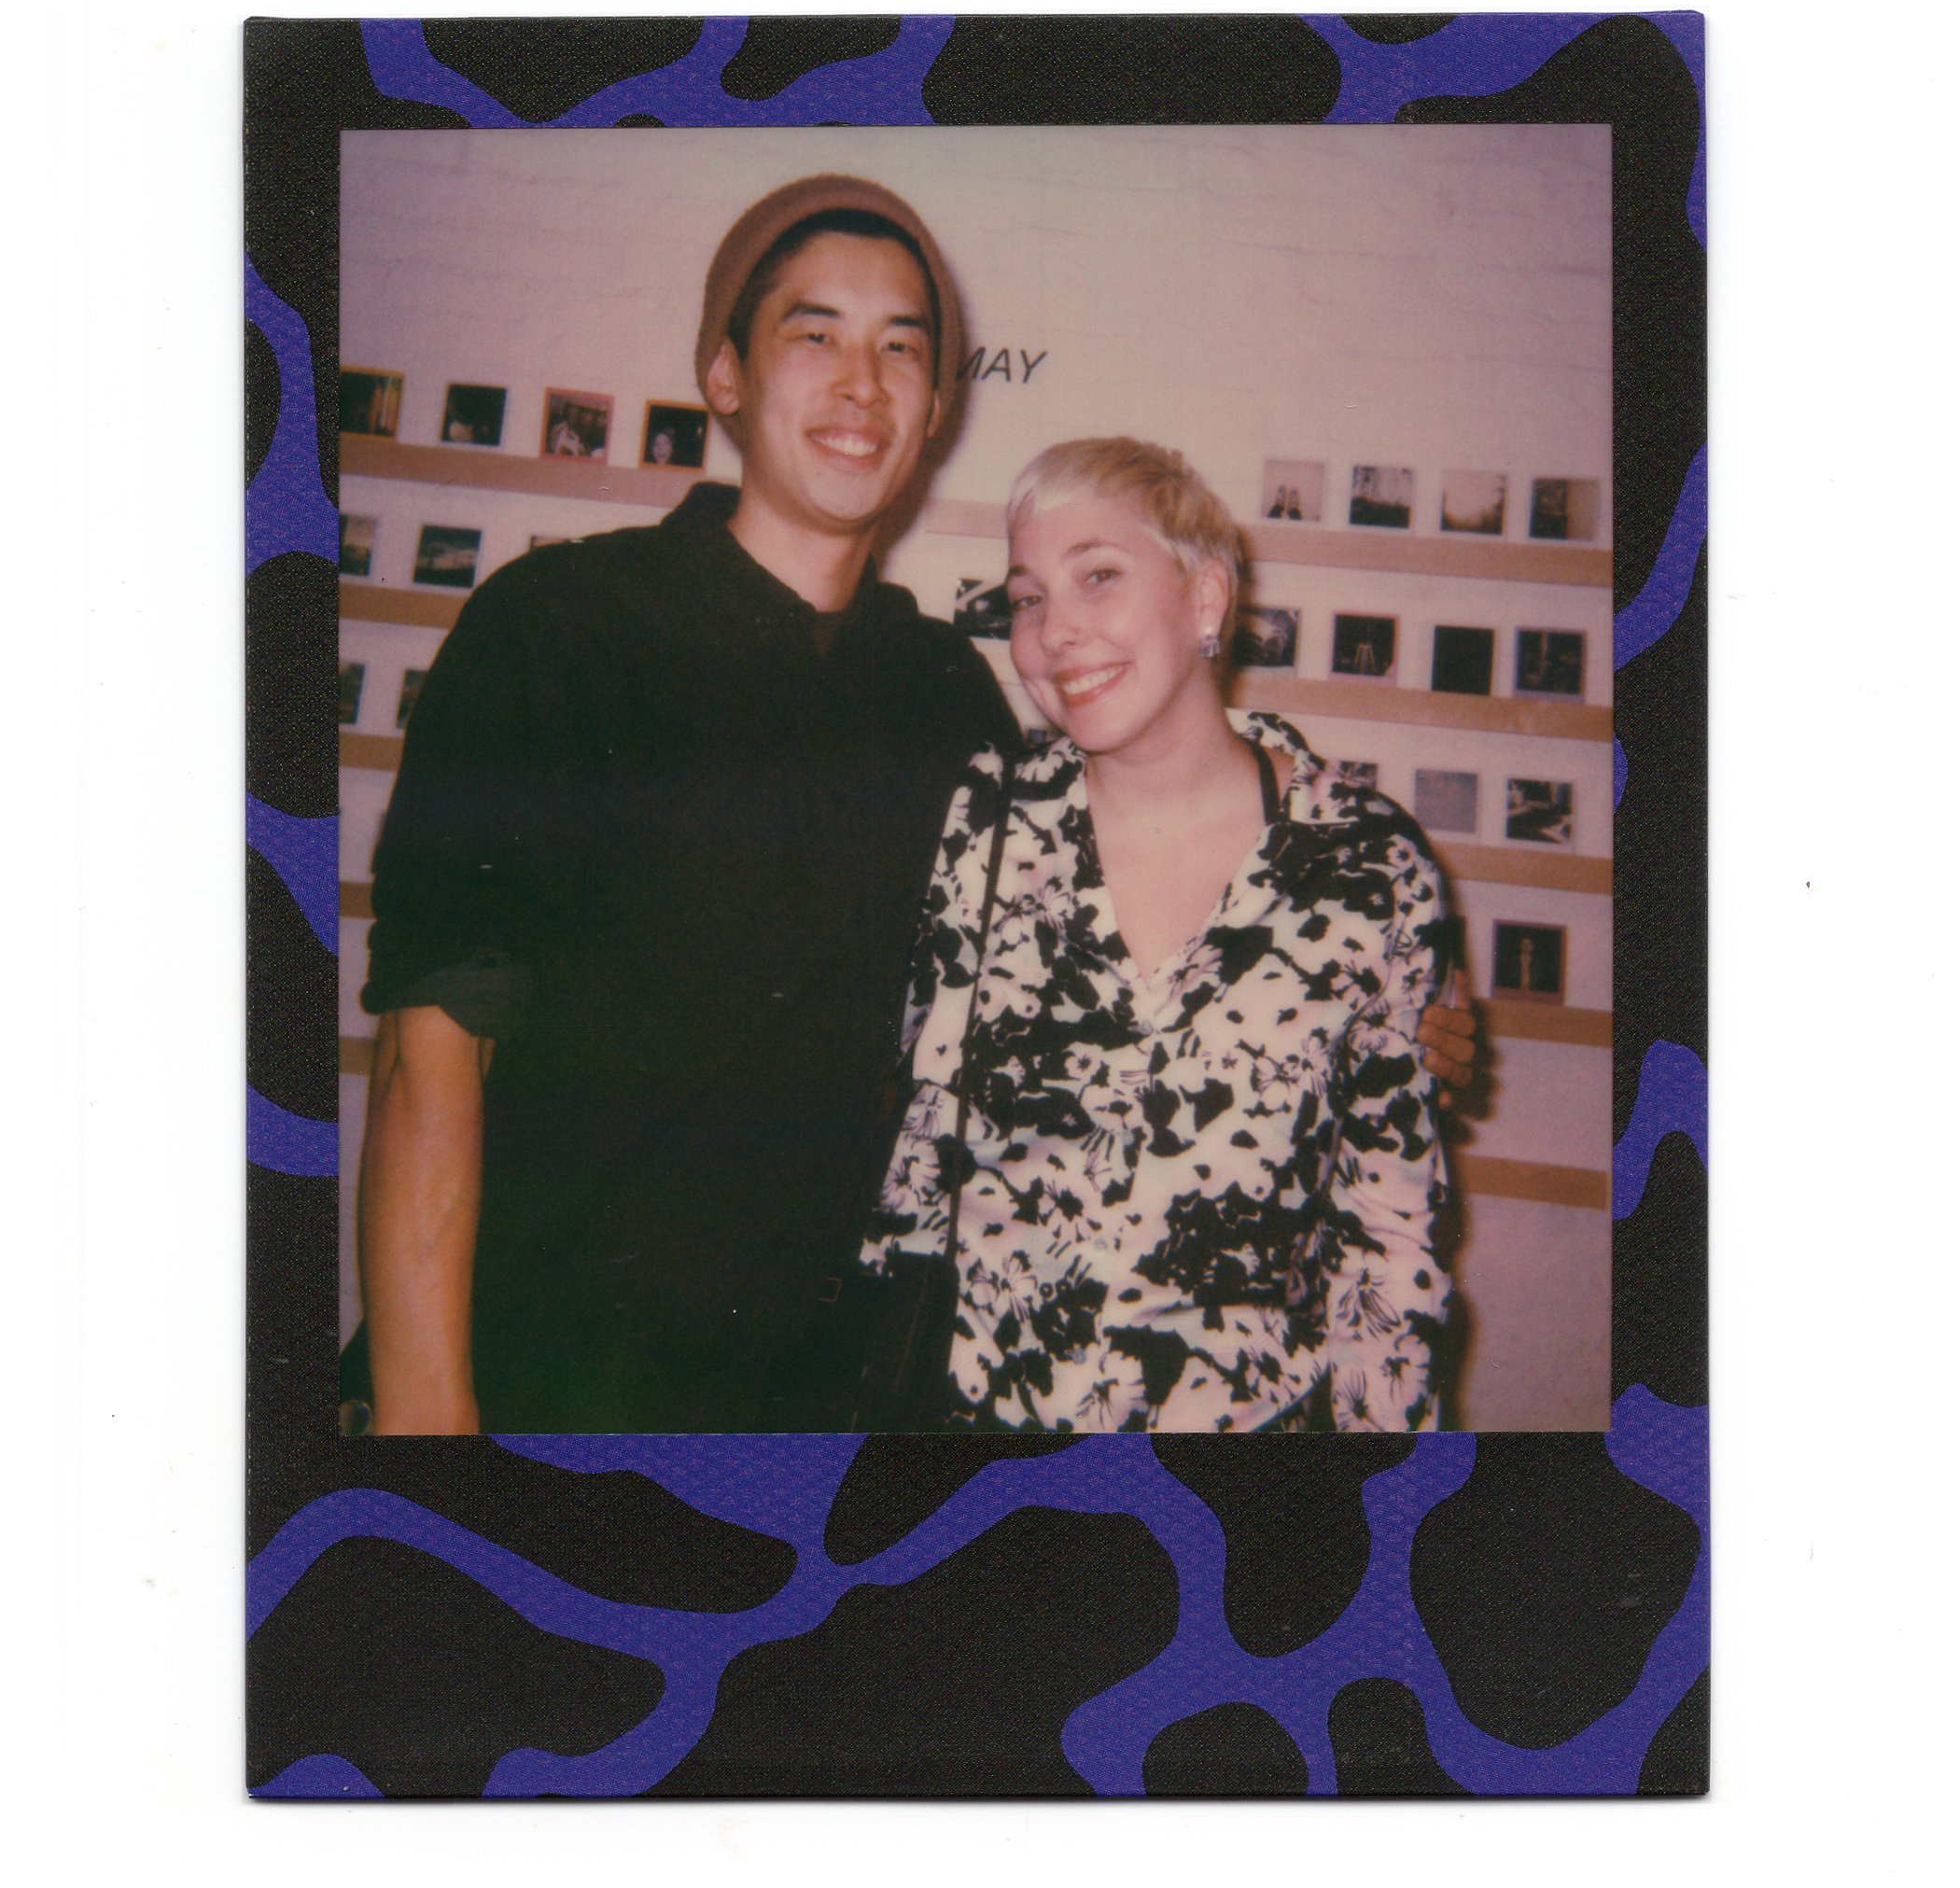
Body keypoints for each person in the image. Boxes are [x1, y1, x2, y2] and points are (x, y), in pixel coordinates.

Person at [353, 176, 1479, 1434]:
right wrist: (428, 1432)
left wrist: (1387, 990)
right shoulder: (557, 631)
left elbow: (1132, 903)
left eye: (903, 349)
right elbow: (424, 1061)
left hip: (822, 1409)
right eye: (813, 333)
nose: (862, 382)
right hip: (538, 1375)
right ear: (724, 375)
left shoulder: (949, 701)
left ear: (939, 408)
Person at [868, 438, 1453, 1432]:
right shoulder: (981, 823)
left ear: (1208, 599)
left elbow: (1389, 1234)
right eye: (1026, 597)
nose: (1055, 632)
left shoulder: (1365, 867)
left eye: (1098, 576)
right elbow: (912, 1146)